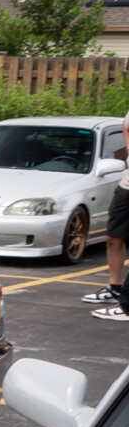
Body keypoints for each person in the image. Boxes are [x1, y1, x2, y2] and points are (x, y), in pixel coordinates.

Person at [85, 110, 129, 321]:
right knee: (113, 237)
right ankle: (115, 289)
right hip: (127, 185)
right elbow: (126, 125)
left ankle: (127, 306)